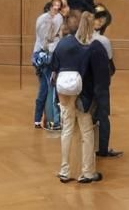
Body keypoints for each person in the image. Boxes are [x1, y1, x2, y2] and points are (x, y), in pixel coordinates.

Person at [52, 11, 101, 184]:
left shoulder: (63, 44)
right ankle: (87, 172)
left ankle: (65, 171)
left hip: (63, 91)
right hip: (82, 94)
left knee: (67, 129)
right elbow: (91, 75)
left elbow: (54, 66)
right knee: (86, 131)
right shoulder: (89, 48)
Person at [89, 6, 121, 160]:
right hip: (100, 84)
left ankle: (87, 147)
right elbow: (110, 67)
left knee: (86, 116)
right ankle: (102, 149)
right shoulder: (103, 41)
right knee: (102, 116)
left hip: (84, 84)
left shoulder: (79, 38)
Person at [33, 0, 65, 129]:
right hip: (47, 57)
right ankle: (53, 122)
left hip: (39, 57)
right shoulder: (55, 20)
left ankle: (37, 119)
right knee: (50, 89)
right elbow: (48, 42)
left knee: (44, 89)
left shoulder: (42, 19)